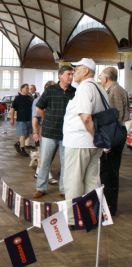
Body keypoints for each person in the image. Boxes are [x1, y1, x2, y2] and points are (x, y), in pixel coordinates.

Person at [63, 58, 107, 223]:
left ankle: (73, 219)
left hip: (79, 143)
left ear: (87, 71)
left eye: (77, 68)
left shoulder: (84, 89)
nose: (74, 71)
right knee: (92, 181)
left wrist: (94, 136)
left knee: (73, 182)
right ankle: (91, 216)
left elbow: (86, 117)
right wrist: (98, 139)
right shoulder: (99, 88)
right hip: (93, 144)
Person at [32, 66, 76, 199]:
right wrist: (48, 118)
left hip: (67, 134)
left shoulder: (74, 92)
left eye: (72, 74)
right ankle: (41, 188)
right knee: (45, 162)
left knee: (65, 163)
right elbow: (39, 108)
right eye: (68, 74)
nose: (71, 77)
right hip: (49, 133)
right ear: (60, 76)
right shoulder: (50, 90)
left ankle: (63, 189)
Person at [99, 67, 129, 216]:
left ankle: (109, 208)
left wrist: (108, 141)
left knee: (109, 173)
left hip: (114, 134)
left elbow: (114, 117)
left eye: (100, 76)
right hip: (115, 133)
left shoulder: (115, 90)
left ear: (106, 78)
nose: (99, 78)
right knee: (107, 172)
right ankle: (108, 206)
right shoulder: (114, 89)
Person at [31, 80, 58, 184]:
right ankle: (48, 176)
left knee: (48, 155)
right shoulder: (38, 100)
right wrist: (35, 132)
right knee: (45, 154)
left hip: (55, 130)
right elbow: (35, 118)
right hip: (44, 129)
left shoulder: (55, 99)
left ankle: (38, 172)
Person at [9, 83, 33, 157]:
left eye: (28, 88)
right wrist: (12, 119)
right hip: (21, 119)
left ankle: (18, 144)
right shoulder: (17, 98)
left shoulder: (30, 98)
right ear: (21, 89)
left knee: (27, 134)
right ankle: (22, 149)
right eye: (26, 88)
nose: (27, 89)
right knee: (22, 135)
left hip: (29, 119)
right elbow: (13, 109)